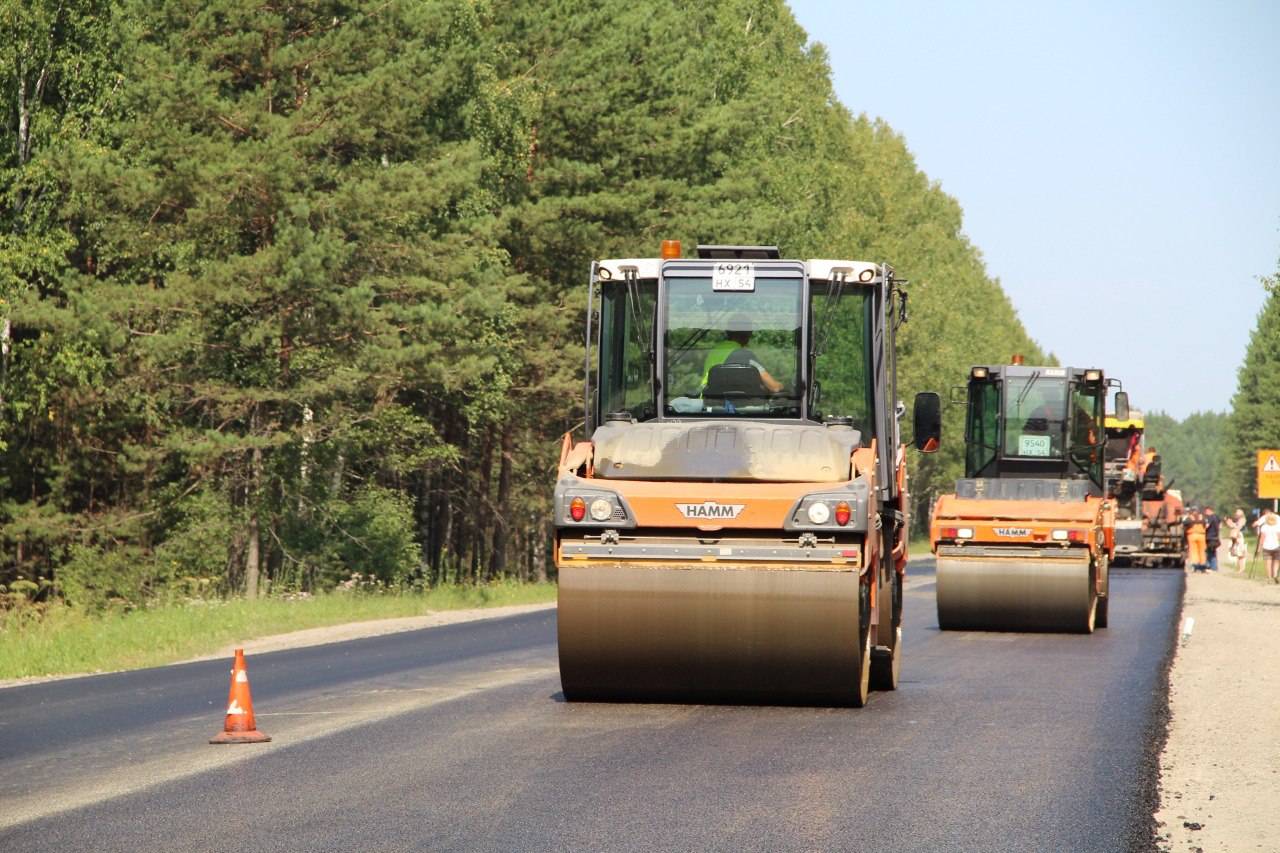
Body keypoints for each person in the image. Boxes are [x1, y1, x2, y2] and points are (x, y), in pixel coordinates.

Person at [700, 314, 784, 394]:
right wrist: (783, 387)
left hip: (708, 403)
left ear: (727, 332)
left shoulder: (714, 350)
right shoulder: (745, 355)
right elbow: (774, 387)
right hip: (729, 406)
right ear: (749, 333)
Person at [1253, 508, 1280, 584]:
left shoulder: (1264, 527)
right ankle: (1275, 574)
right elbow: (1279, 537)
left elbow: (1261, 539)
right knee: (1276, 562)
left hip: (1266, 547)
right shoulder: (1277, 527)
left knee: (1268, 563)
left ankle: (1270, 578)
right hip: (1276, 547)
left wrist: (1258, 548)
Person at [1184, 506, 1207, 572]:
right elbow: (1205, 525)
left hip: (1192, 535)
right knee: (1202, 550)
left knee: (1193, 550)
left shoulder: (1189, 518)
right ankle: (1202, 565)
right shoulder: (1202, 518)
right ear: (1197, 511)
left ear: (1192, 511)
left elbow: (1185, 526)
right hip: (1201, 535)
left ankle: (1196, 565)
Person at [1227, 508, 1248, 574]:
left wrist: (1231, 524)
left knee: (1240, 553)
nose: (1235, 515)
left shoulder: (1242, 520)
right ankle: (1240, 568)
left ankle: (1240, 569)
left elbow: (1238, 527)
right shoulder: (1239, 520)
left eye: (1236, 514)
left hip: (1239, 536)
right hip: (1237, 536)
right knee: (1238, 553)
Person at [1203, 506, 1221, 572]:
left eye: (1205, 511)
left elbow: (1207, 526)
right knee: (1213, 552)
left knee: (1209, 552)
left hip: (1210, 537)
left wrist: (1202, 530)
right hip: (1215, 537)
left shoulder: (1211, 517)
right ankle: (1213, 566)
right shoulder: (1217, 516)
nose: (1205, 513)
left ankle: (1212, 567)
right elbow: (1220, 526)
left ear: (1209, 510)